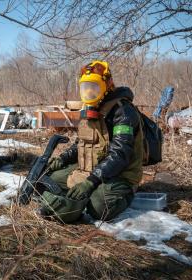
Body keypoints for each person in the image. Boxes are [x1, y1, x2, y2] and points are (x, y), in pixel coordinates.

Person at [40, 61, 144, 223]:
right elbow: (81, 143)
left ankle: (127, 194)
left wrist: (91, 182)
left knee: (97, 207)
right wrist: (63, 159)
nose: (89, 92)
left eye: (94, 87)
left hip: (121, 174)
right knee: (51, 179)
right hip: (91, 168)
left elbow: (120, 154)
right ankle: (82, 193)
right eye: (85, 87)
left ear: (106, 85)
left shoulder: (123, 111)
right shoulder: (88, 109)